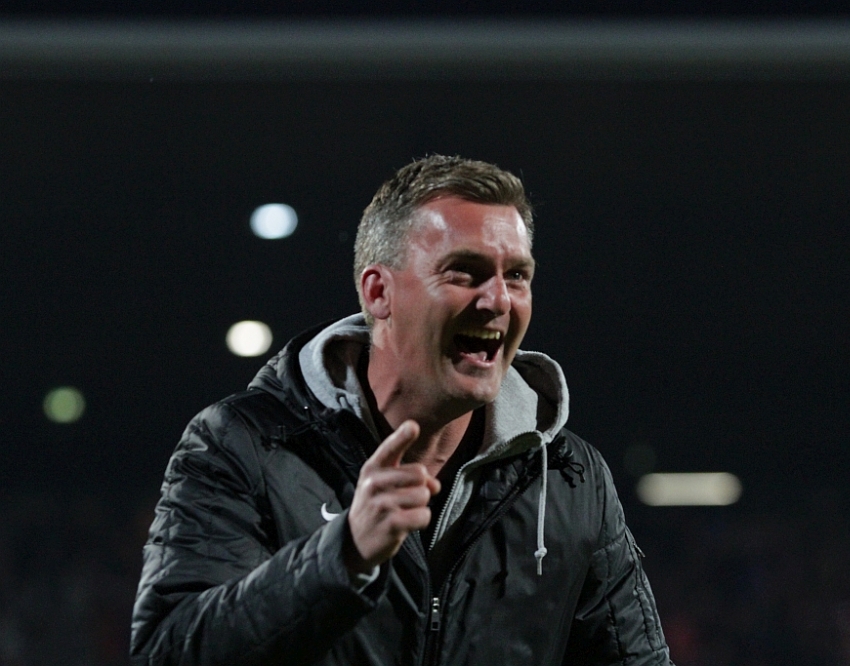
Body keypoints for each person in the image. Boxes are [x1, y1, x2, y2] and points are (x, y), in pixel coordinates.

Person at [130, 155, 672, 666]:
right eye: (465, 272)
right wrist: (341, 556)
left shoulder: (572, 478)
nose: (498, 300)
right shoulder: (244, 444)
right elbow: (169, 649)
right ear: (378, 293)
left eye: (516, 276)